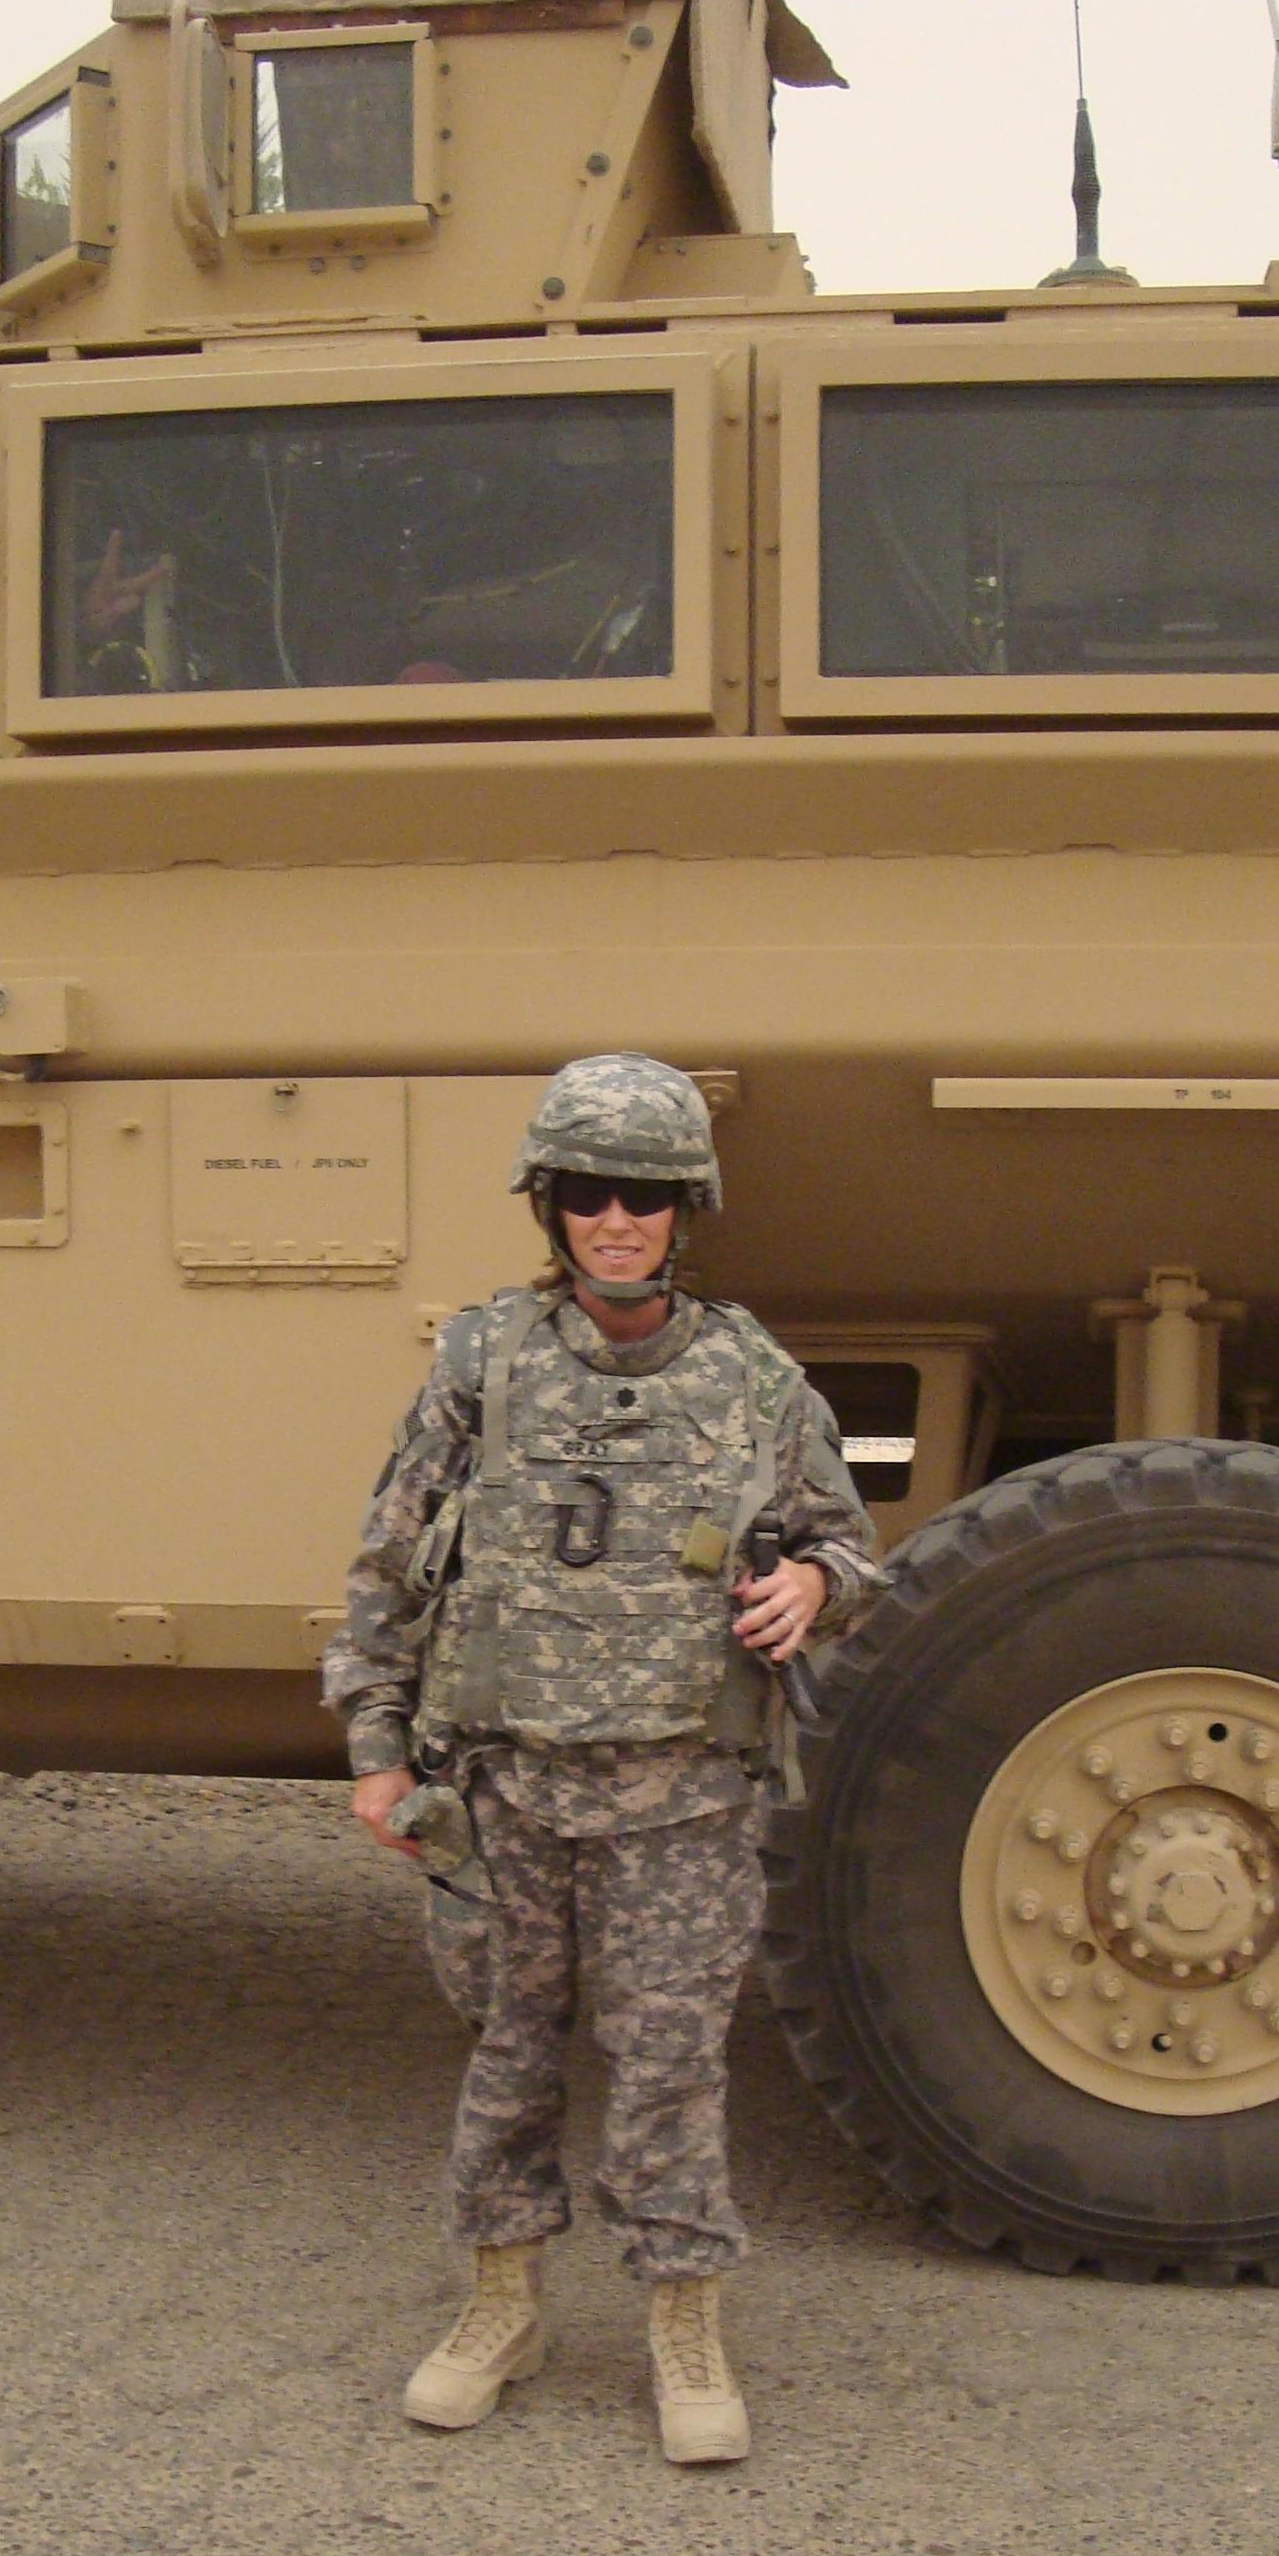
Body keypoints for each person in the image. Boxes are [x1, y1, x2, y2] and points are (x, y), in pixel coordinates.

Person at [323, 1055, 882, 2465]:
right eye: (586, 1192)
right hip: (503, 1788)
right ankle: (498, 2307)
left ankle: (682, 2324)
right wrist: (377, 1748)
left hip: (682, 1798)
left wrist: (814, 1587)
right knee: (505, 2058)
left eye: (642, 1194)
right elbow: (393, 1558)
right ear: (552, 1205)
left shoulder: (751, 1372)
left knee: (671, 2065)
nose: (614, 1219)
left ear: (684, 1208)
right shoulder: (483, 1361)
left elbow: (847, 1541)